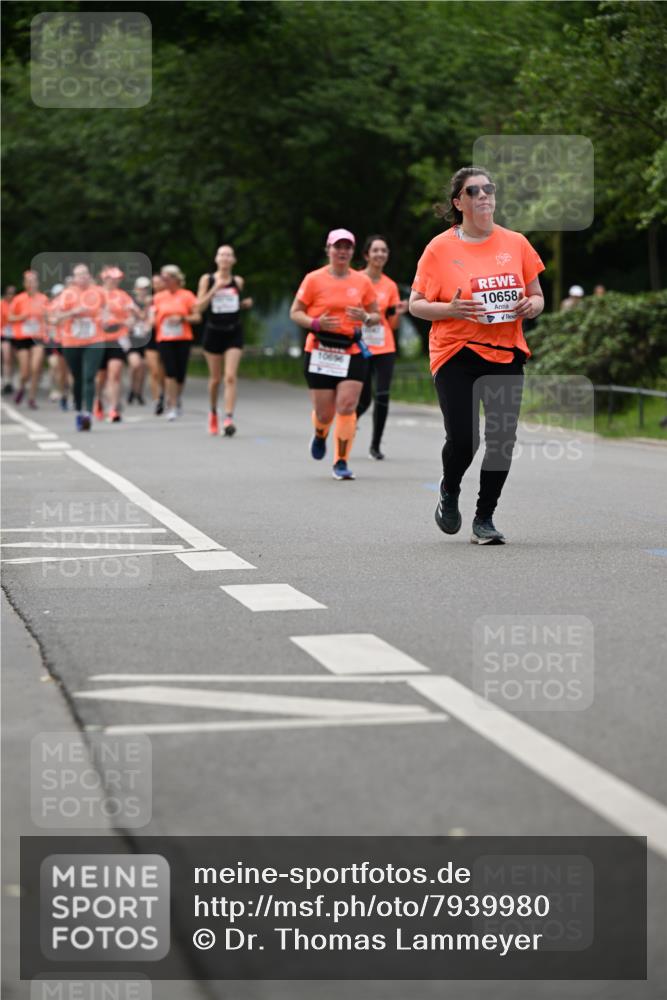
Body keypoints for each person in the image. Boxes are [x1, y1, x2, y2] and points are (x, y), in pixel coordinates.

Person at [409, 166, 545, 544]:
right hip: (457, 351)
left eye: (489, 188)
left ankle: (484, 518)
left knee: (502, 440)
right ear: (459, 202)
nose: (484, 195)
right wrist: (449, 310)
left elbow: (537, 295)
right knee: (466, 439)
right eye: (474, 191)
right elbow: (416, 305)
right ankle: (449, 489)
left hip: (505, 352)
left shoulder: (516, 243)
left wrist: (531, 306)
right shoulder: (439, 248)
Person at [289, 228, 380, 480]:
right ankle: (320, 433)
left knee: (347, 405)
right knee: (324, 413)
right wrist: (316, 323)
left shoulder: (362, 281)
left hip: (350, 349)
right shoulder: (313, 279)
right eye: (337, 246)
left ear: (352, 251)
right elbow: (295, 312)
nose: (342, 251)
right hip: (319, 349)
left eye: (347, 247)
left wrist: (365, 317)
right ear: (328, 249)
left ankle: (341, 461)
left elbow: (376, 316)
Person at [355, 235, 408, 459]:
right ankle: (347, 423)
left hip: (384, 346)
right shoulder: (355, 279)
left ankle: (375, 446)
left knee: (383, 395)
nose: (380, 254)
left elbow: (392, 324)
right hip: (360, 345)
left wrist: (397, 312)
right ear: (366, 254)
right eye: (375, 250)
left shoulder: (390, 285)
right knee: (365, 398)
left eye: (384, 251)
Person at [196, 245, 253, 436]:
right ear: (216, 259)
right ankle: (213, 412)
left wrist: (244, 304)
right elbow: (198, 307)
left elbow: (235, 304)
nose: (225, 258)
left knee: (230, 377)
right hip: (213, 332)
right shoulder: (208, 279)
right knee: (215, 380)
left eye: (229, 255)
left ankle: (228, 417)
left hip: (233, 332)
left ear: (233, 260)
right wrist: (214, 289)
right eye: (222, 254)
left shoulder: (238, 281)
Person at [54, 263, 107, 430]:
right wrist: (73, 312)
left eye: (85, 274)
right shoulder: (67, 294)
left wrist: (104, 319)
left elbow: (107, 311)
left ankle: (88, 414)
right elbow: (56, 318)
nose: (82, 277)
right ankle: (79, 410)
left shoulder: (98, 292)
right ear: (74, 278)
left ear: (89, 276)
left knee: (89, 376)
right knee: (77, 377)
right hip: (71, 341)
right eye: (79, 275)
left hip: (94, 339)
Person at [151, 265, 200, 421]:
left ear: (175, 279)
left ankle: (176, 398)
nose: (164, 281)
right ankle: (171, 405)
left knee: (180, 373)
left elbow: (197, 317)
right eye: (163, 278)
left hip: (183, 338)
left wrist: (182, 318)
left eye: (167, 278)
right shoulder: (158, 297)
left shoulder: (187, 295)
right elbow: (153, 317)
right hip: (165, 338)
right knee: (170, 371)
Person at [94, 266, 136, 422]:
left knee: (115, 373)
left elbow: (132, 315)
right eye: (112, 278)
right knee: (100, 377)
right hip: (98, 339)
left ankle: (113, 409)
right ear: (104, 278)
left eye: (117, 278)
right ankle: (98, 401)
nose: (115, 281)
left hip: (117, 338)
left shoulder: (123, 296)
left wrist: (129, 322)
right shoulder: (95, 294)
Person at [7, 270, 48, 409]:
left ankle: (32, 397)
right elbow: (10, 318)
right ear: (24, 283)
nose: (31, 283)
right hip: (22, 337)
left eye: (34, 280)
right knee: (25, 371)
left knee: (35, 367)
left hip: (38, 337)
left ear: (37, 283)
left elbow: (48, 316)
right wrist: (22, 317)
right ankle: (22, 386)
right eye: (28, 281)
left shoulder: (43, 299)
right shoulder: (18, 299)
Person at [126, 276, 151, 405]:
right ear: (136, 289)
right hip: (133, 338)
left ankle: (139, 392)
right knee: (135, 364)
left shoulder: (151, 302)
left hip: (146, 338)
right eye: (141, 288)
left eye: (146, 288)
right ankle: (132, 388)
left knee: (144, 367)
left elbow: (151, 319)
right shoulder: (131, 303)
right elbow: (131, 319)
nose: (143, 291)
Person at [146, 274, 166, 414]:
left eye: (159, 282)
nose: (157, 285)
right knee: (153, 371)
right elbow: (145, 318)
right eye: (155, 283)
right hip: (152, 337)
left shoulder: (169, 298)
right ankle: (156, 400)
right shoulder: (150, 300)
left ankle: (165, 393)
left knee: (163, 371)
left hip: (166, 335)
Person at [1, 284, 17, 395]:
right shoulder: (2, 304)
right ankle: (6, 381)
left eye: (13, 293)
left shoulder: (18, 303)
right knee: (6, 357)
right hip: (4, 333)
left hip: (17, 335)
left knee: (12, 358)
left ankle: (10, 380)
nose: (11, 295)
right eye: (9, 293)